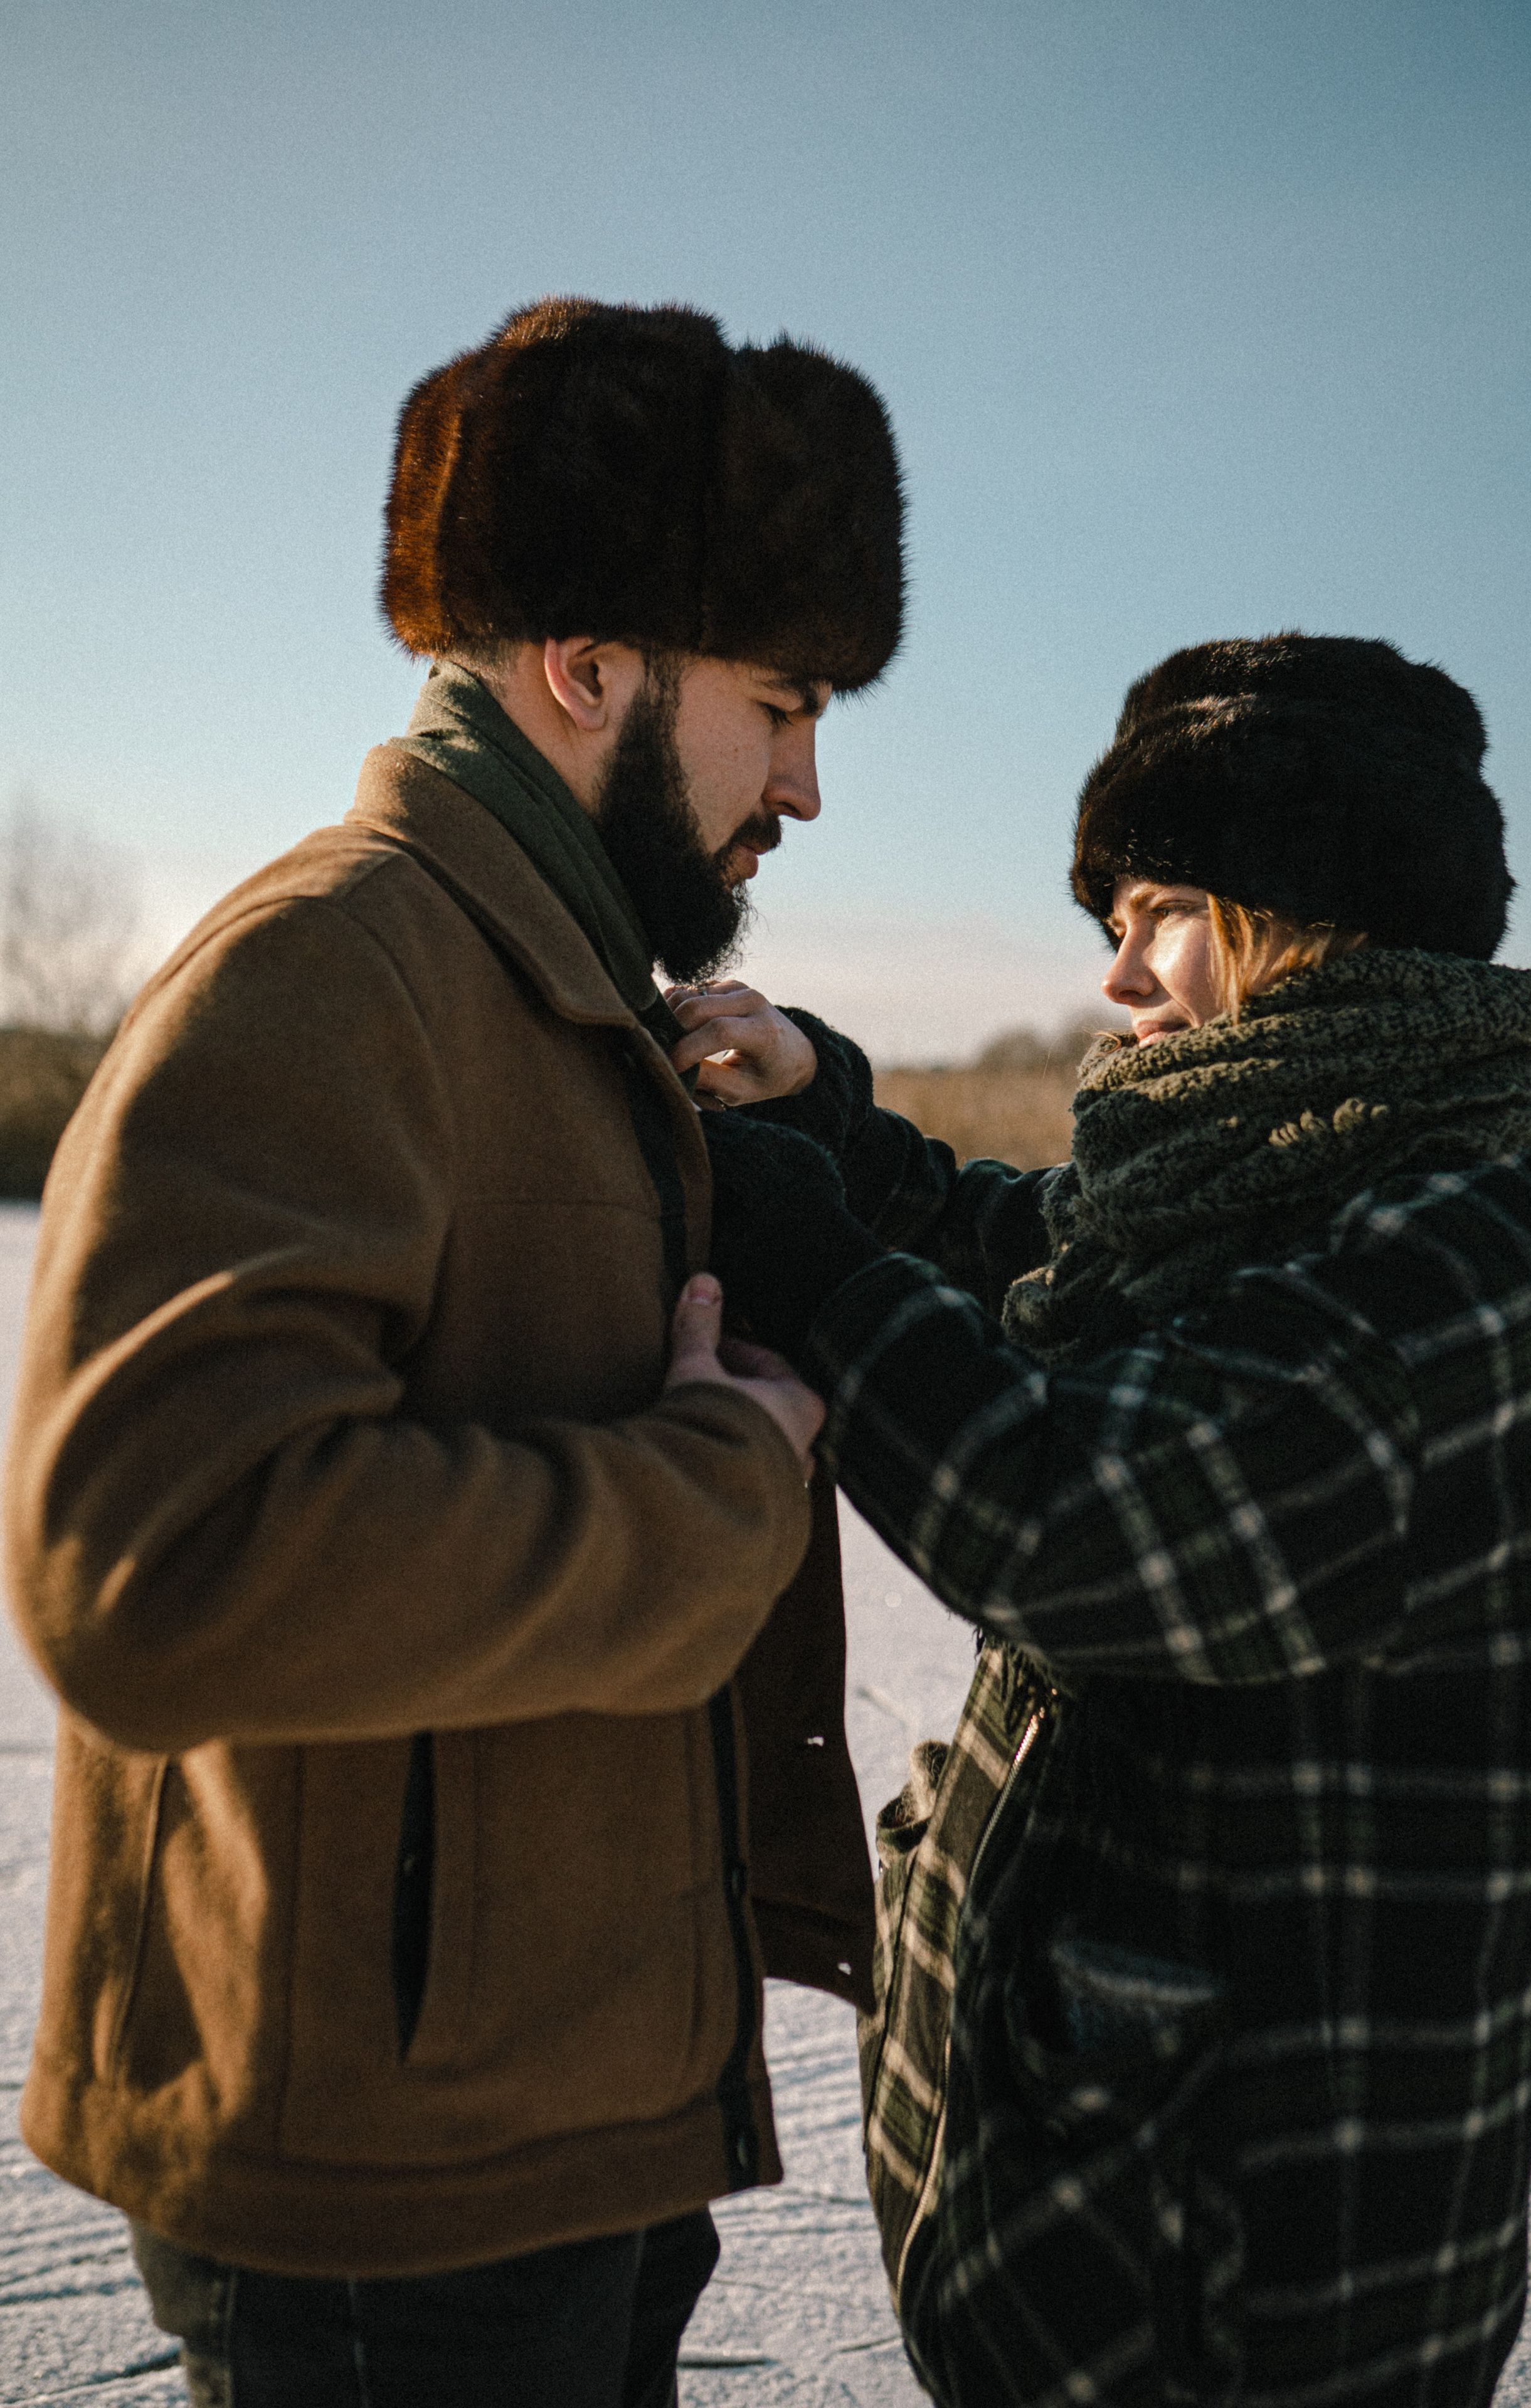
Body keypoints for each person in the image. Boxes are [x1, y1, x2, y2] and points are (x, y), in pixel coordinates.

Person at [2, 297, 904, 2407]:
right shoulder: (337, 967)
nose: (807, 782)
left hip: (557, 2132)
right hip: (385, 2214)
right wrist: (713, 1489)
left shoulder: (566, 997)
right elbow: (155, 1564)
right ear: (587, 665)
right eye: (778, 704)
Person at [679, 633, 1531, 2406]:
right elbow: (1049, 1249)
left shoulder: (1467, 1259)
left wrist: (801, 1243)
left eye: (1162, 907)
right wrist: (845, 1137)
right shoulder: (1295, 1167)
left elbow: (1073, 1519)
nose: (1116, 978)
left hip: (1270, 2290)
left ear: (1315, 912)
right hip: (1126, 2209)